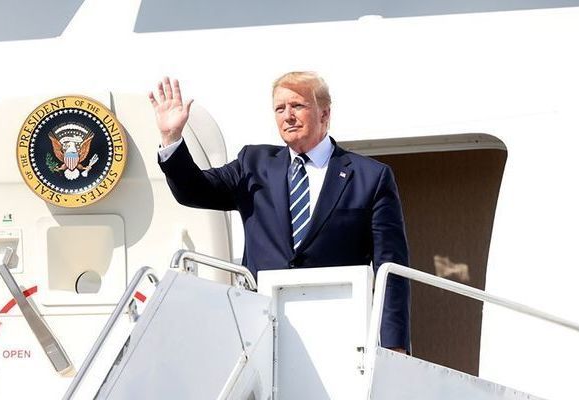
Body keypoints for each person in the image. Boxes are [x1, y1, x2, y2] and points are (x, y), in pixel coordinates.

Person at [150, 72, 410, 352]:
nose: (288, 116)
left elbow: (390, 268)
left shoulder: (370, 177)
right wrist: (171, 137)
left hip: (336, 328)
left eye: (297, 106)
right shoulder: (254, 163)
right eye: (279, 108)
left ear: (324, 113)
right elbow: (194, 190)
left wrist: (393, 343)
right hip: (261, 326)